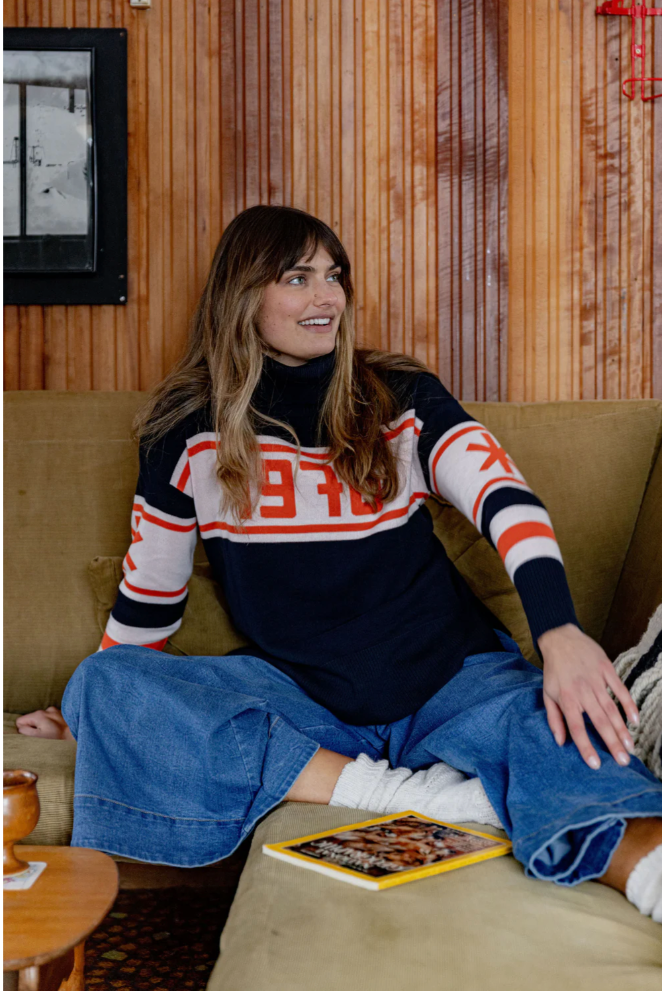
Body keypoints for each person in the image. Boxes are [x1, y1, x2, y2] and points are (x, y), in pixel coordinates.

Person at [17, 205, 662, 922]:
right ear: (242, 295)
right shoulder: (185, 431)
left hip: (452, 681)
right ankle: (413, 798)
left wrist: (558, 632)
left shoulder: (401, 396)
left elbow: (505, 501)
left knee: (560, 727)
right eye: (298, 278)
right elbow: (150, 597)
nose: (327, 297)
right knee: (103, 682)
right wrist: (90, 717)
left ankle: (651, 877)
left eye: (335, 276)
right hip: (308, 708)